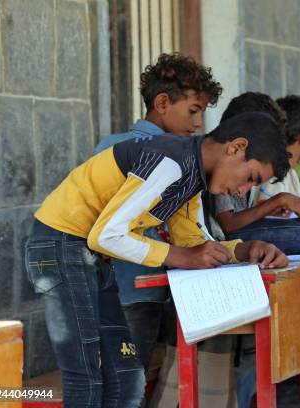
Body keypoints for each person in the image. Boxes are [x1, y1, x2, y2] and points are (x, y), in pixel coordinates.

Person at [25, 112, 290, 408]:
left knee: (128, 377)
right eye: (250, 178)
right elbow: (107, 235)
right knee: (86, 376)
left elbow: (192, 243)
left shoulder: (192, 177)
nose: (242, 191)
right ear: (236, 147)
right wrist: (183, 256)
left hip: (91, 257)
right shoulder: (170, 163)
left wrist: (243, 250)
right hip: (59, 245)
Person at [93, 52, 222, 375]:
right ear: (162, 103)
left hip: (164, 289)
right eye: (193, 111)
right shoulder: (117, 148)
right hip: (125, 291)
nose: (198, 124)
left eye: (202, 113)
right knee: (124, 381)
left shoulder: (183, 158)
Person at [211, 93, 300, 235]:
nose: (241, 190)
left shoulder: (246, 166)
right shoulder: (224, 171)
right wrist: (278, 200)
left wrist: (266, 211)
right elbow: (229, 224)